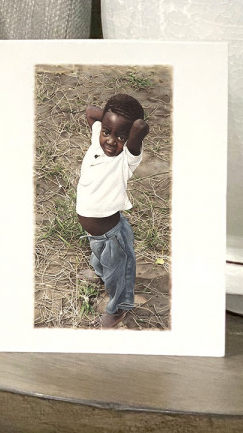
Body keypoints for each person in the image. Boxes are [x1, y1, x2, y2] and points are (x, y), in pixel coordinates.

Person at [76, 93, 149, 328]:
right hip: (95, 234)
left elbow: (140, 126)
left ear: (129, 140)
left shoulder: (126, 160)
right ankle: (101, 274)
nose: (110, 141)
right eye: (106, 132)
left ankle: (119, 307)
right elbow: (90, 111)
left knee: (119, 274)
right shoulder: (96, 142)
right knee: (100, 260)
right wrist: (110, 114)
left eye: (120, 137)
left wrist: (124, 128)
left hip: (113, 235)